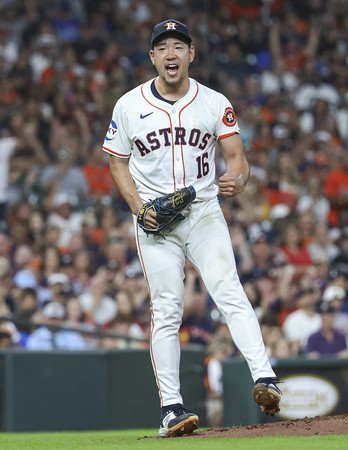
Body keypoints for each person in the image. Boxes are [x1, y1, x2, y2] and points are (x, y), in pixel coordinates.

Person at [102, 19, 281, 437]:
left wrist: (238, 176)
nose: (170, 54)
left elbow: (237, 156)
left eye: (178, 47)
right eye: (162, 47)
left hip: (201, 210)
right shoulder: (129, 104)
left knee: (229, 288)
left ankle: (265, 377)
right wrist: (138, 207)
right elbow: (116, 161)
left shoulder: (214, 101)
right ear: (152, 57)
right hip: (155, 220)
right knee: (167, 309)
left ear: (191, 54)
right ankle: (171, 409)